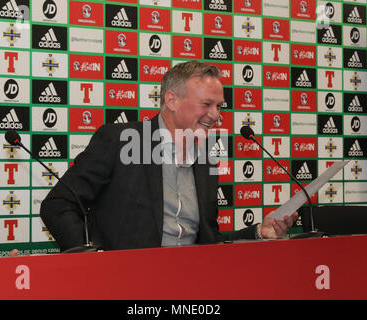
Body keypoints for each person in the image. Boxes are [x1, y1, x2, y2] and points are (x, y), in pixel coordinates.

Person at [40, 61, 298, 252]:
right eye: (206, 104)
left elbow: (208, 241)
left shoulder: (206, 158)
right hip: (125, 285)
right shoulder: (120, 141)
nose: (216, 115)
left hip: (189, 285)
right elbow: (57, 205)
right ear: (172, 100)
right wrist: (93, 260)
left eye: (219, 106)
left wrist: (258, 233)